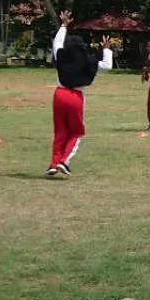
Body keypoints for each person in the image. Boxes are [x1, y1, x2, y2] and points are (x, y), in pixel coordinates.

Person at [46, 11, 115, 177]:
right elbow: (107, 66)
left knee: (60, 132)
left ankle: (53, 164)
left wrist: (63, 26)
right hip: (75, 96)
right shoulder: (88, 60)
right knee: (76, 132)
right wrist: (106, 49)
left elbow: (57, 43)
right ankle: (64, 161)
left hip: (59, 94)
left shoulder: (61, 56)